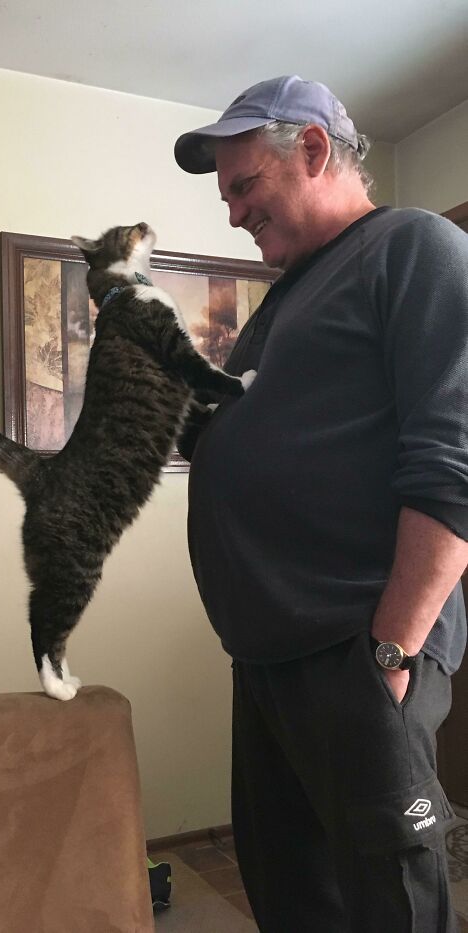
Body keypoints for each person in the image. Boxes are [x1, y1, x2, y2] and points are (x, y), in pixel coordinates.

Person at [173, 75, 468, 932]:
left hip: (355, 648)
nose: (231, 213)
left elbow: (454, 465)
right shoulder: (294, 295)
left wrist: (391, 649)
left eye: (242, 187)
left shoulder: (413, 247)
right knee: (295, 894)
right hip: (272, 652)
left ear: (309, 148)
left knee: (391, 902)